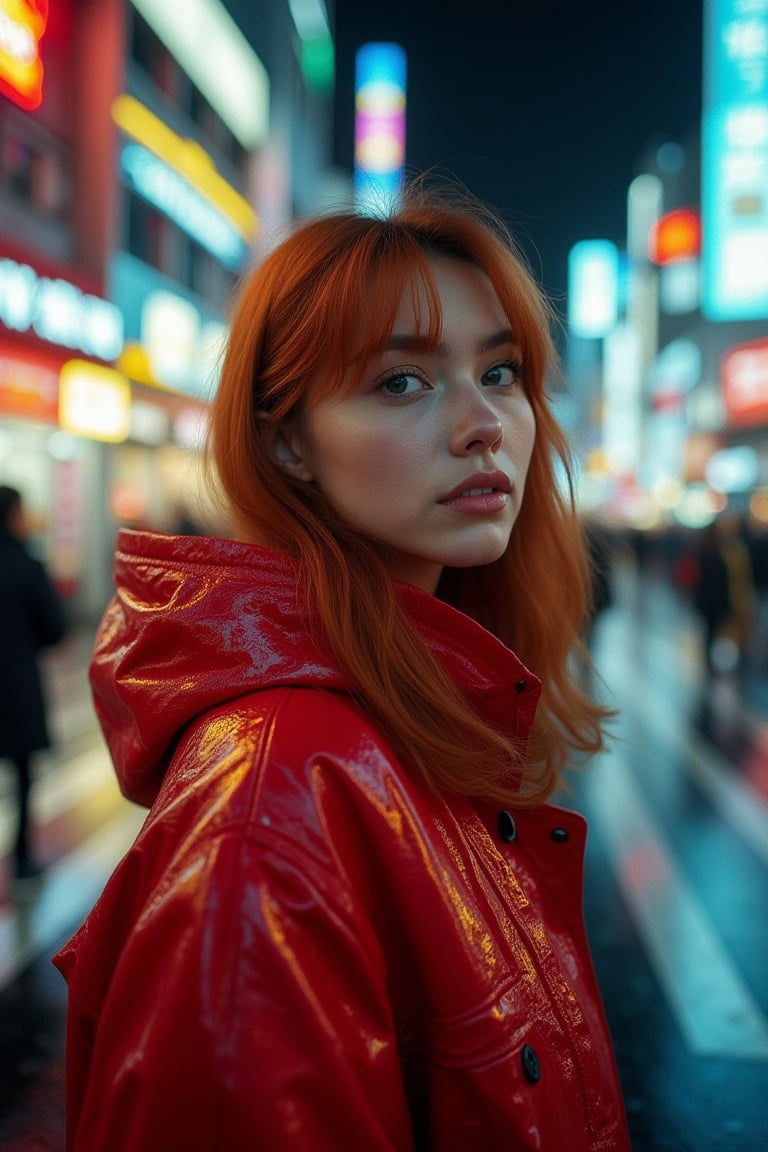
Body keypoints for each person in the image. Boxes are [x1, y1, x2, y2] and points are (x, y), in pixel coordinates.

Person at [54, 190, 631, 1150]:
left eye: (501, 370)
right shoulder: (272, 804)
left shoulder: (415, 706)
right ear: (288, 440)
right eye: (402, 382)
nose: (486, 422)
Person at [0, 485, 67, 880]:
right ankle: (22, 857)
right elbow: (55, 628)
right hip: (17, 686)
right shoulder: (28, 565)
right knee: (23, 772)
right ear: (12, 516)